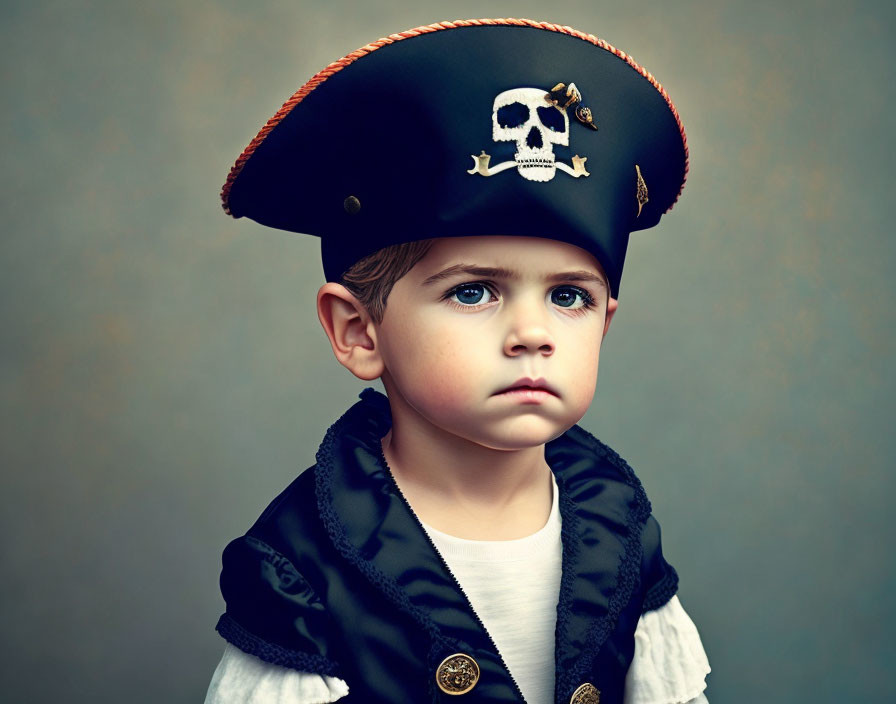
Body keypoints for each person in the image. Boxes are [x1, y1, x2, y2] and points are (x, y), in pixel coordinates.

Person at [205, 18, 710, 704]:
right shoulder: (300, 572)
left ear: (605, 325)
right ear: (359, 330)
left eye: (569, 296)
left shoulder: (621, 530)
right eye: (473, 292)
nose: (532, 332)